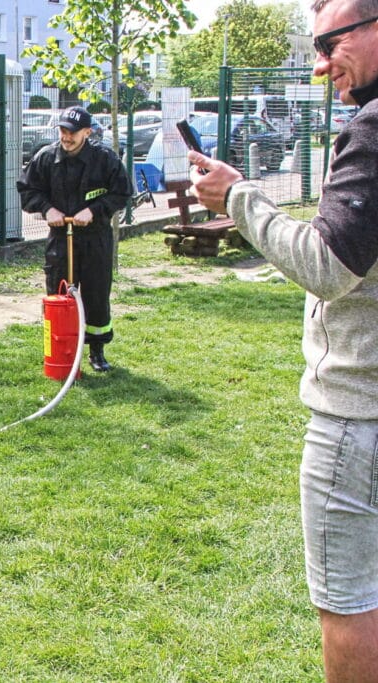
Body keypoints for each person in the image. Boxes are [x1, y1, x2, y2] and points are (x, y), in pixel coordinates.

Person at [188, 2, 378, 679]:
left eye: (332, 42)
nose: (322, 63)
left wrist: (241, 199)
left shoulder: (373, 130)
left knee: (351, 605)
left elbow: (328, 265)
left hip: (359, 415)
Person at [16, 106, 132, 372]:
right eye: (63, 131)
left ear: (87, 133)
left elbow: (122, 192)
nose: (66, 137)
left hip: (95, 237)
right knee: (59, 293)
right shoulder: (46, 158)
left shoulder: (105, 159)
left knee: (96, 292)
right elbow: (27, 190)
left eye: (73, 132)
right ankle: (61, 349)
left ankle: (97, 349)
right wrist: (47, 209)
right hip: (60, 237)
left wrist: (94, 211)